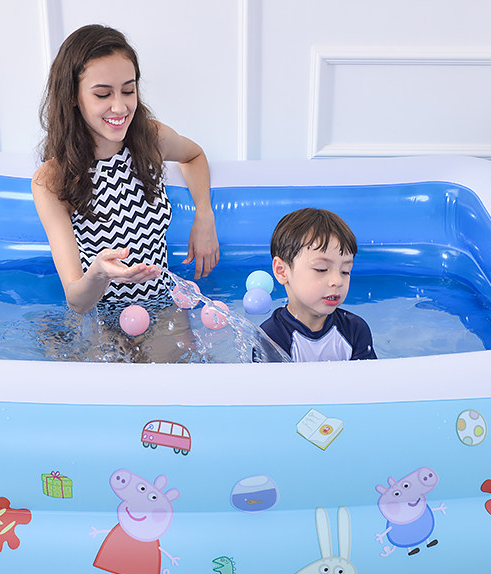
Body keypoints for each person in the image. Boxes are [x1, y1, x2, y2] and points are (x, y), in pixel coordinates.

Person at [32, 24, 219, 316]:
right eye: (102, 94)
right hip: (103, 318)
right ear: (72, 96)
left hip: (161, 308)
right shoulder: (52, 180)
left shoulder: (151, 139)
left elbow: (194, 156)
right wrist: (99, 274)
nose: (120, 107)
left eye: (128, 90)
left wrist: (204, 215)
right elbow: (77, 302)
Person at [260, 208, 377, 362]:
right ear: (282, 271)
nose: (337, 281)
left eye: (345, 271)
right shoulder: (271, 337)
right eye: (321, 269)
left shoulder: (355, 330)